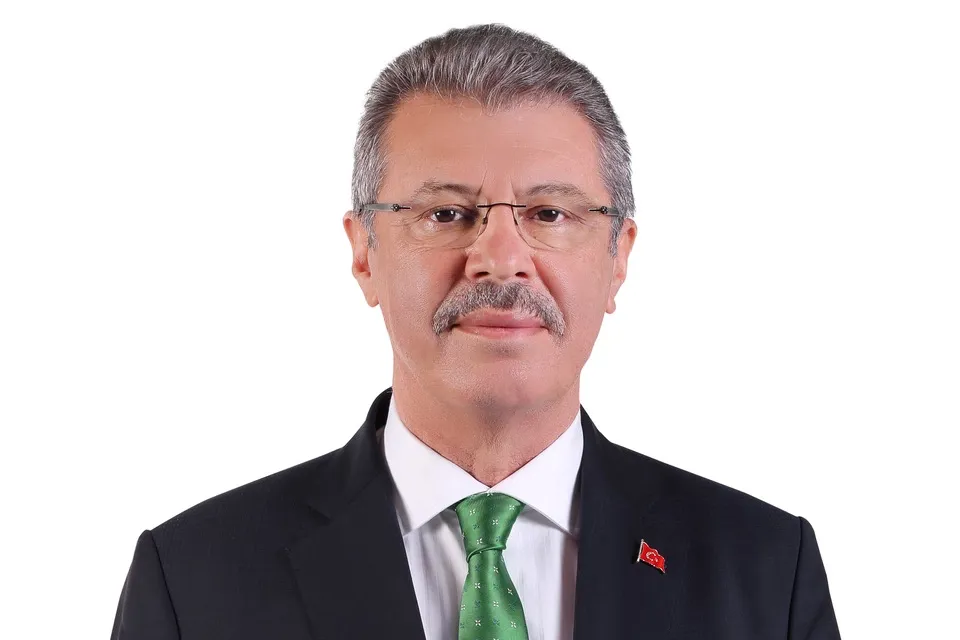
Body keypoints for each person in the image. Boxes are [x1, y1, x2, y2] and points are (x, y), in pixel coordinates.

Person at [111, 23, 841, 640]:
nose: (500, 258)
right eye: (446, 214)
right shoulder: (193, 583)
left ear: (618, 257)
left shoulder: (767, 572)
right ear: (364, 253)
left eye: (549, 213)